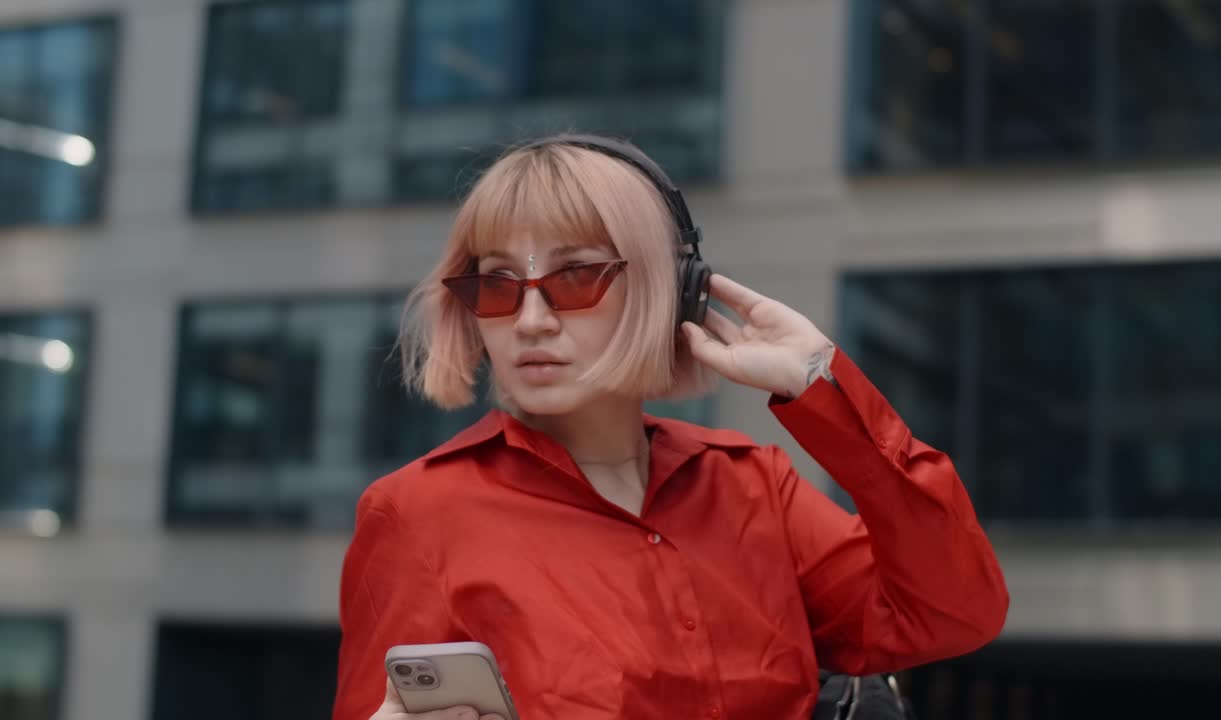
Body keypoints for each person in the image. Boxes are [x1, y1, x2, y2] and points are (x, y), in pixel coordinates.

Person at [333, 134, 1008, 720]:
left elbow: (955, 611)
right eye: (498, 284)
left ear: (669, 287)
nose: (531, 321)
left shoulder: (755, 488)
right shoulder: (417, 514)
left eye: (575, 276)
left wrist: (821, 387)